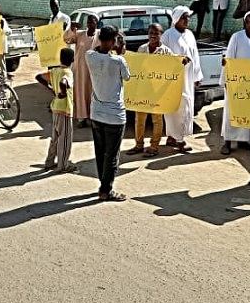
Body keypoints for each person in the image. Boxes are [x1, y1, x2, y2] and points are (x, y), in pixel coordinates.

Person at [85, 25, 131, 202]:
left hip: (96, 113)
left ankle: (103, 185)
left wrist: (111, 46)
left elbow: (97, 50)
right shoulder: (119, 61)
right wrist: (118, 51)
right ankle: (106, 190)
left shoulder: (89, 56)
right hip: (115, 116)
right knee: (111, 155)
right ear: (113, 41)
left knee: (101, 152)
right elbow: (127, 77)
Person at [221, 11, 250, 154]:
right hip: (236, 82)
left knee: (248, 112)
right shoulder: (237, 37)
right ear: (246, 23)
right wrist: (226, 80)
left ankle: (243, 141)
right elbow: (229, 59)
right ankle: (227, 142)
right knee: (231, 111)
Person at [126, 23, 173, 158]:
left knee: (157, 120)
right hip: (142, 90)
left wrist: (183, 61)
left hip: (157, 91)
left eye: (156, 33)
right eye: (151, 33)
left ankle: (154, 146)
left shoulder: (166, 52)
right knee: (139, 119)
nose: (153, 35)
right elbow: (136, 67)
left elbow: (173, 65)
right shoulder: (142, 49)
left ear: (161, 35)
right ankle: (139, 144)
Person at [161, 6, 203, 153]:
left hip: (188, 78)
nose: (186, 20)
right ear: (176, 19)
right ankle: (179, 140)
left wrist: (197, 76)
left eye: (188, 17)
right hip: (173, 79)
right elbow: (162, 55)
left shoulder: (190, 34)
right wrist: (178, 60)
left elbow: (195, 56)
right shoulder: (168, 35)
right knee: (175, 109)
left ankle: (173, 137)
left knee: (185, 107)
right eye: (183, 17)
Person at [44, 47, 77, 173]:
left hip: (55, 107)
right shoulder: (68, 72)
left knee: (55, 137)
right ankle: (63, 165)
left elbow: (39, 77)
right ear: (72, 60)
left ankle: (49, 162)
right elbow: (63, 82)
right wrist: (63, 93)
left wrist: (50, 89)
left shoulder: (54, 70)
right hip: (65, 109)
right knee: (65, 139)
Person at [63, 14, 99, 127]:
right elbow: (67, 39)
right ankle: (82, 118)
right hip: (80, 70)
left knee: (94, 93)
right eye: (88, 22)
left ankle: (94, 118)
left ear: (96, 23)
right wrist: (71, 28)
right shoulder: (80, 34)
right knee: (81, 93)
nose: (90, 24)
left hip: (94, 71)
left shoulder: (100, 35)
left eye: (92, 22)